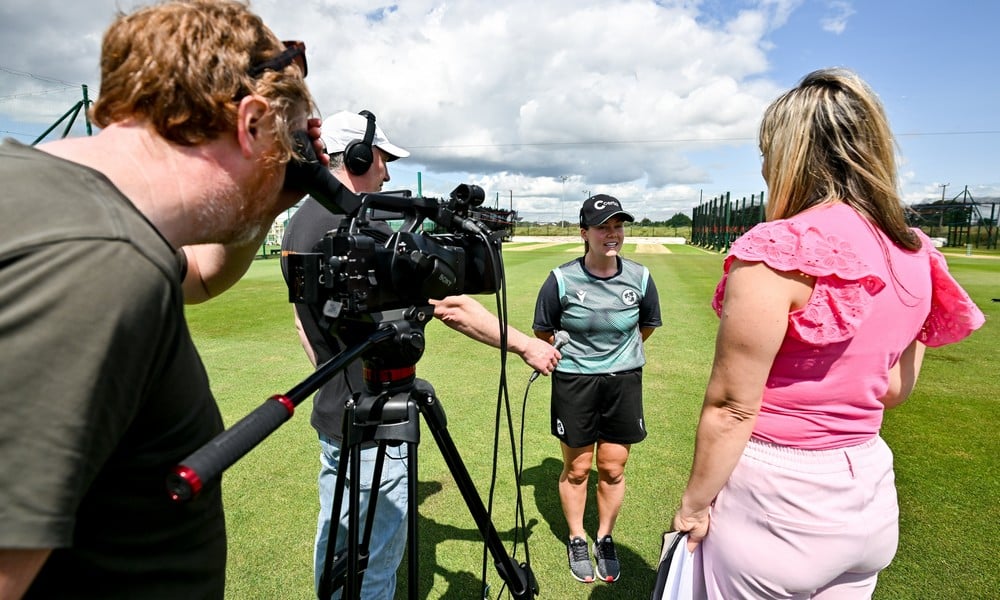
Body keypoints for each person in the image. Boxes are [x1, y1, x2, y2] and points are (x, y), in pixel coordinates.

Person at [0, 2, 319, 598]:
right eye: (282, 143)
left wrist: (268, 201)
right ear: (249, 124)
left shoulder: (67, 203)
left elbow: (196, 276)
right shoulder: (97, 260)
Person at [671, 68, 985, 598]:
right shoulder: (916, 250)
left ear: (790, 154)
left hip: (778, 499)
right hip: (868, 492)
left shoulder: (778, 248)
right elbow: (892, 389)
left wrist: (693, 506)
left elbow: (732, 407)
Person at [280, 110, 563, 599]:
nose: (387, 173)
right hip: (377, 425)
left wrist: (335, 377)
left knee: (339, 541)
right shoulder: (369, 229)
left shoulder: (298, 223)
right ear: (356, 156)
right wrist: (524, 344)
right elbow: (455, 307)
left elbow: (301, 324)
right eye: (382, 160)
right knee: (377, 563)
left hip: (333, 414)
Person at [532, 194, 661, 584]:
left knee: (613, 466)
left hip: (623, 383)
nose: (612, 233)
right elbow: (544, 330)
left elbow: (647, 326)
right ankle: (576, 537)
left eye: (618, 226)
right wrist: (587, 361)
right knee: (578, 467)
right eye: (603, 226)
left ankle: (604, 538)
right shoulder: (561, 279)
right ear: (584, 232)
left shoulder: (639, 277)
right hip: (574, 381)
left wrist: (615, 360)